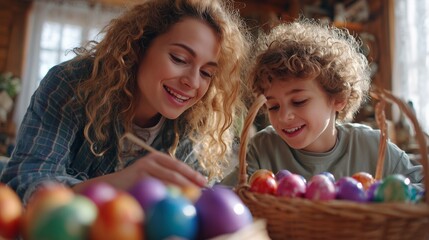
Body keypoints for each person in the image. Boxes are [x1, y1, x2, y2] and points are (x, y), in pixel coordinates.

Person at [0, 0, 252, 203]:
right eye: (179, 58)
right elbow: (23, 182)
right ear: (139, 47)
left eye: (207, 73)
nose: (193, 83)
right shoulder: (71, 85)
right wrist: (117, 184)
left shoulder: (196, 122)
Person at [221, 17, 423, 187]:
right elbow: (224, 198)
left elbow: (421, 185)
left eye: (299, 101)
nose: (283, 116)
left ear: (338, 99)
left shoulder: (372, 146)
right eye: (273, 106)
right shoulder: (263, 149)